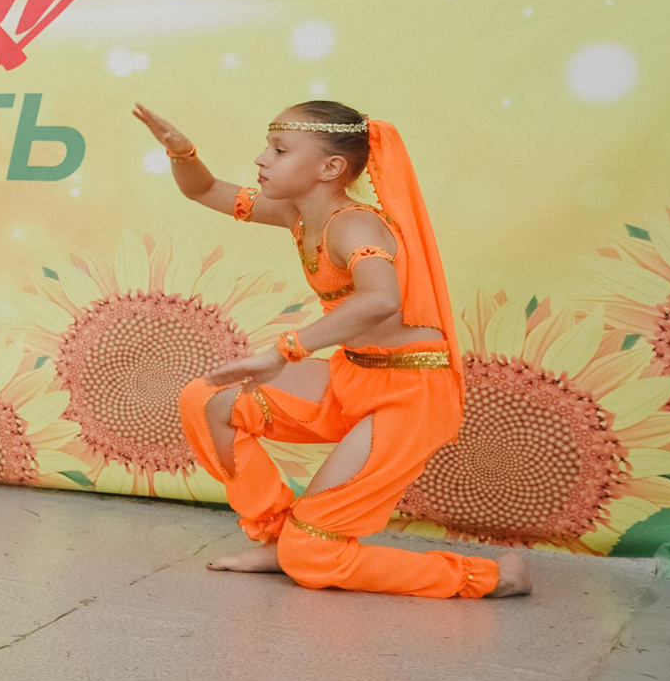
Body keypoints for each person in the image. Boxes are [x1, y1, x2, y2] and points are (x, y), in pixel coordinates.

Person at [138, 101, 530, 599]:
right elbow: (205, 189)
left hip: (410, 396)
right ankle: (280, 539)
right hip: (354, 377)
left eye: (279, 150)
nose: (262, 159)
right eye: (267, 146)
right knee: (208, 400)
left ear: (330, 169)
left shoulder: (356, 225)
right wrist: (182, 152)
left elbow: (381, 298)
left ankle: (492, 578)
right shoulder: (294, 214)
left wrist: (285, 349)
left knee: (315, 558)